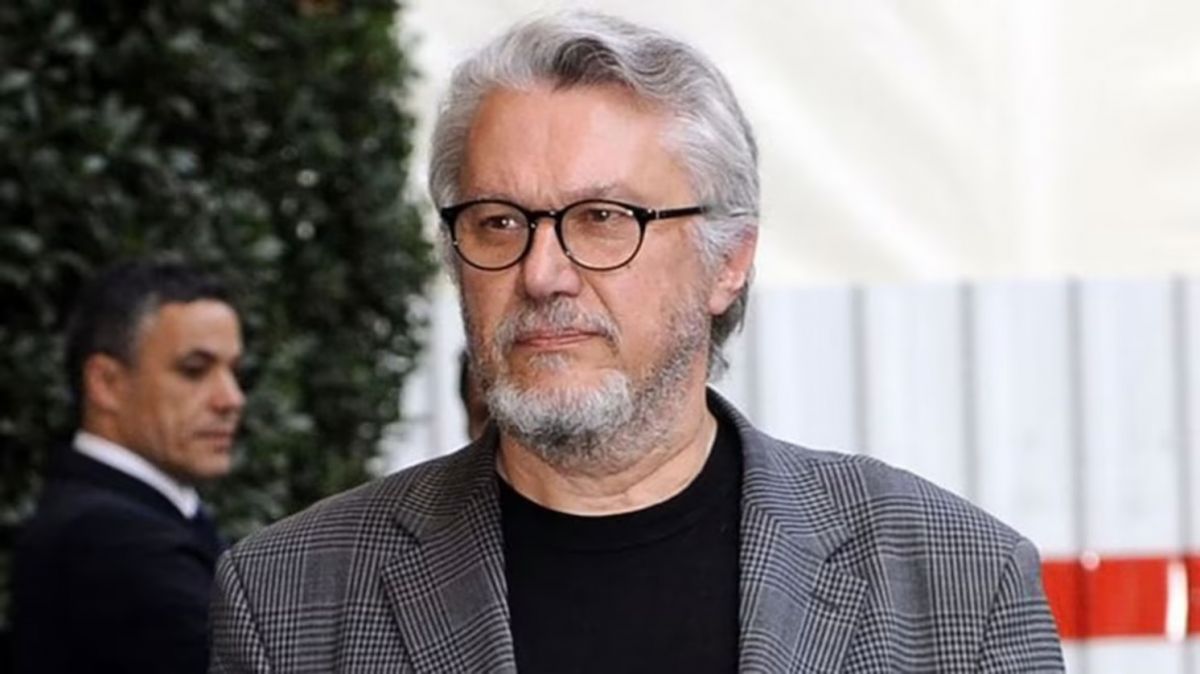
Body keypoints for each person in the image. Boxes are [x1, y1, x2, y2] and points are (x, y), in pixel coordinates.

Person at [210, 11, 1063, 672]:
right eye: (499, 221)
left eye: (603, 218)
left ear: (729, 260)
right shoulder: (293, 598)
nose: (542, 272)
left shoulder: (956, 585)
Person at [12, 258, 245, 674]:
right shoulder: (111, 540)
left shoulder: (133, 519)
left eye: (234, 371)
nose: (231, 399)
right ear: (106, 383)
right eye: (195, 370)